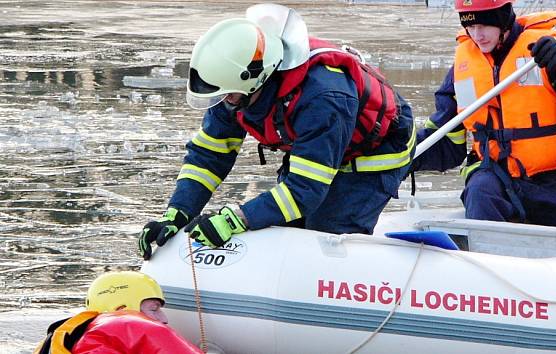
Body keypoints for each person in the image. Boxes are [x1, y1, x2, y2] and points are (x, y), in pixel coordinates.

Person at [138, 3, 416, 257]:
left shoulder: (322, 98)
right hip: (318, 145)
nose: (223, 103)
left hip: (373, 156)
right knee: (285, 230)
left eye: (229, 96)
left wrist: (237, 218)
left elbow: (305, 189)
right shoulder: (234, 89)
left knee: (325, 236)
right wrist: (178, 212)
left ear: (254, 81)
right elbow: (208, 156)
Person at [411, 0, 556, 230]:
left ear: (503, 18)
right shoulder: (463, 66)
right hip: (497, 178)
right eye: (469, 27)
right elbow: (446, 140)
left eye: (484, 25)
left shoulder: (550, 50)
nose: (477, 35)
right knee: (480, 190)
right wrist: (402, 155)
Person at [35, 271, 203, 354]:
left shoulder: (70, 339)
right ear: (122, 308)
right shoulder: (126, 322)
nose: (164, 319)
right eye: (154, 309)